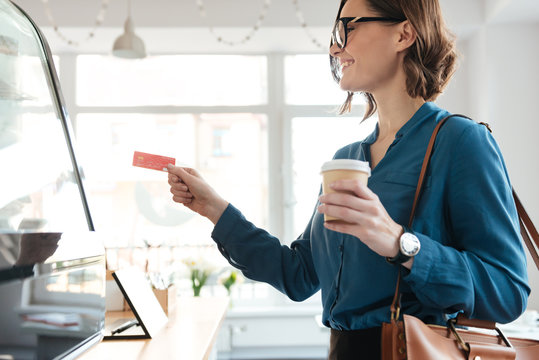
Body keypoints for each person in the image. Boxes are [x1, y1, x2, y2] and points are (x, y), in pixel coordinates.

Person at [167, 0, 530, 358]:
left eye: (348, 27)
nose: (333, 46)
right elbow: (298, 275)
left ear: (404, 33)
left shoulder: (459, 141)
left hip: (414, 350)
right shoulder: (346, 159)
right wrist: (214, 208)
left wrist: (400, 242)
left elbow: (508, 291)